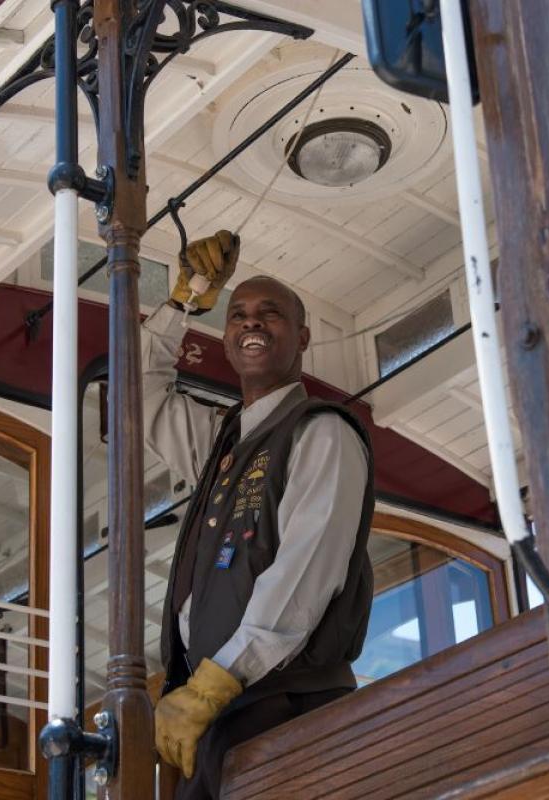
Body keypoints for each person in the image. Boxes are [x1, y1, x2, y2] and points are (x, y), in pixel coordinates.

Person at [142, 230, 375, 798]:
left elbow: (305, 569)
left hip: (285, 706)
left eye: (270, 315)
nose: (251, 323)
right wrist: (186, 300)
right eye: (238, 314)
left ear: (302, 338)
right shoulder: (221, 442)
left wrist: (214, 683)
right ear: (222, 339)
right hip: (219, 710)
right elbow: (136, 397)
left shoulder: (322, 431)